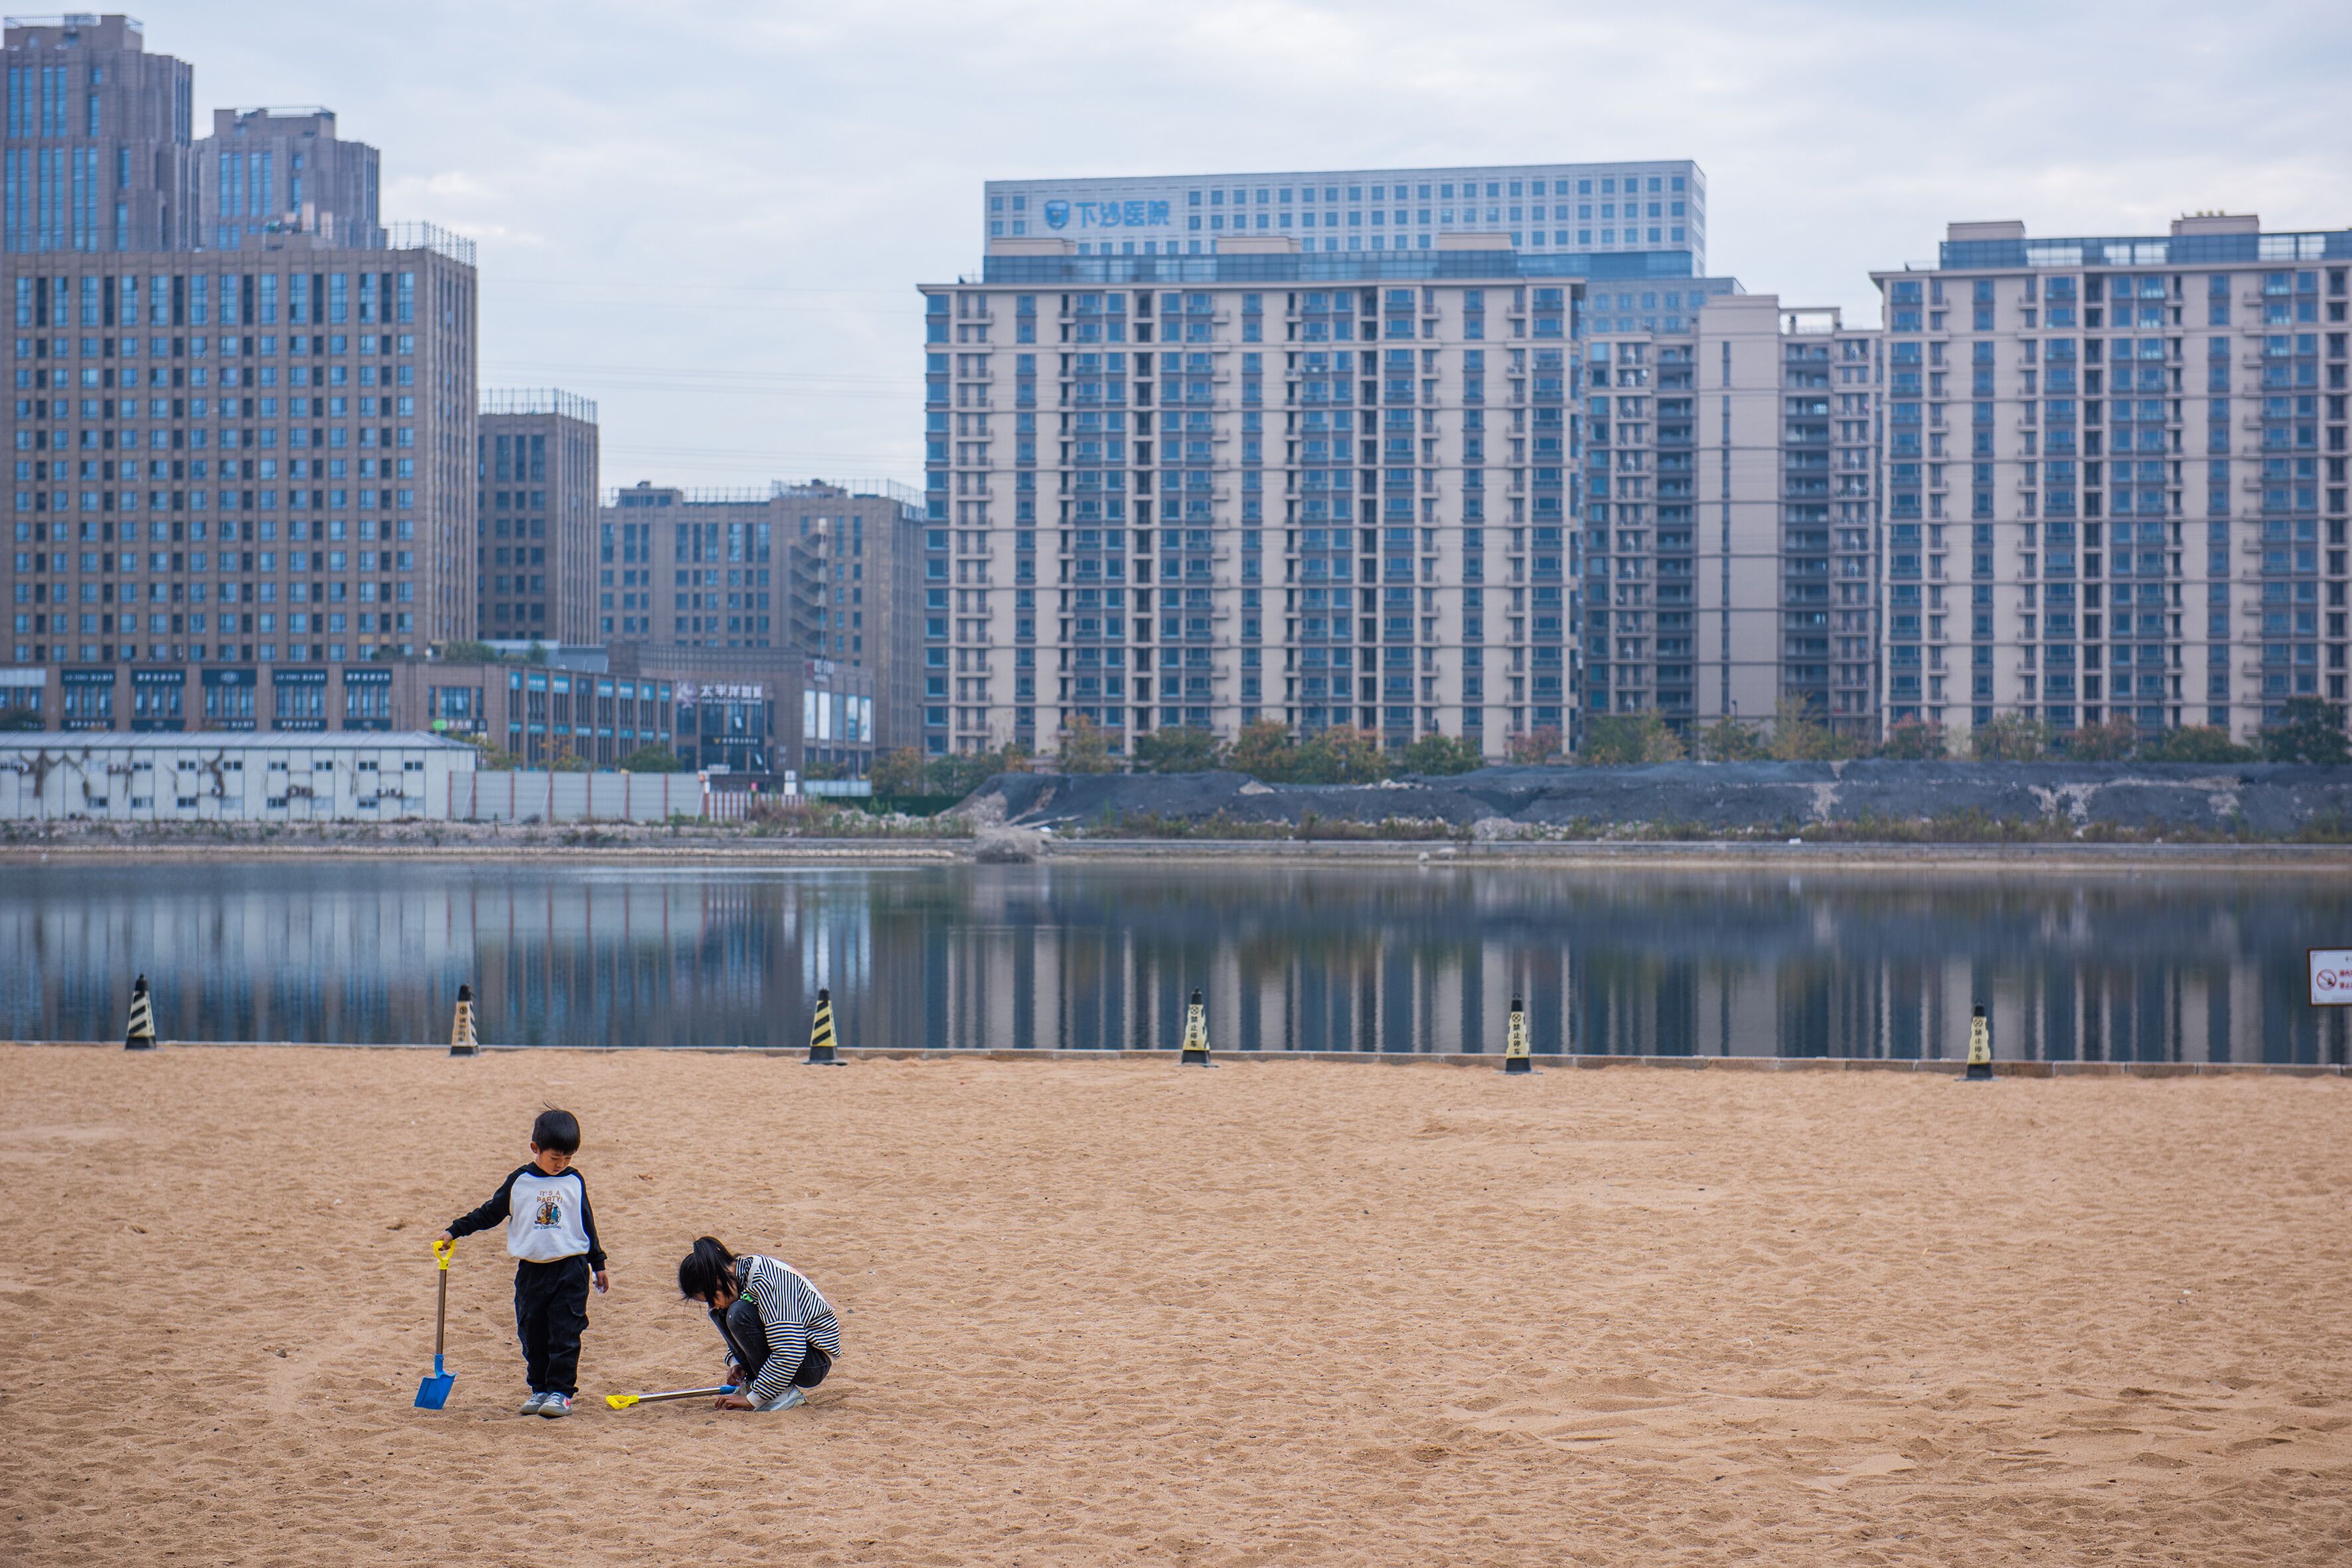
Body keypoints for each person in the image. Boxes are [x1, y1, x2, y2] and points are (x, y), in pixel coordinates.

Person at [439, 1108, 609, 1418]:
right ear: (535, 1149)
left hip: (570, 1269)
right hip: (531, 1271)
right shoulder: (520, 1182)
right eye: (555, 1158)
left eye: (568, 1158)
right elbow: (490, 1212)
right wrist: (455, 1230)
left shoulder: (574, 1181)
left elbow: (586, 1223)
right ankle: (540, 1389)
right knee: (532, 1332)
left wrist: (598, 1263)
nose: (562, 1165)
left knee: (565, 1333)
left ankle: (560, 1393)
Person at [676, 1237, 838, 1411]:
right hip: (795, 1350)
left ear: (718, 1281)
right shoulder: (740, 1276)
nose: (712, 1305)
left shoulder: (766, 1281)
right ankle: (764, 1384)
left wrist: (755, 1398)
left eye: (710, 1298)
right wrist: (737, 1363)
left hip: (813, 1360)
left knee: (737, 1313)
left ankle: (781, 1394)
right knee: (722, 1312)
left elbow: (791, 1351)